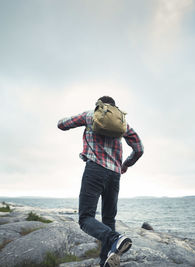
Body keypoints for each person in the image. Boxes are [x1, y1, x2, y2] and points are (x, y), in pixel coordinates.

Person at [57, 96, 144, 267]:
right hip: (115, 175)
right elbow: (139, 148)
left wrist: (81, 120)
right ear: (115, 108)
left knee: (85, 218)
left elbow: (61, 124)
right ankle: (106, 260)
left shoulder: (90, 116)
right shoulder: (122, 124)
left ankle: (115, 238)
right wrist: (126, 164)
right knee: (109, 218)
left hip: (95, 170)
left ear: (100, 106)